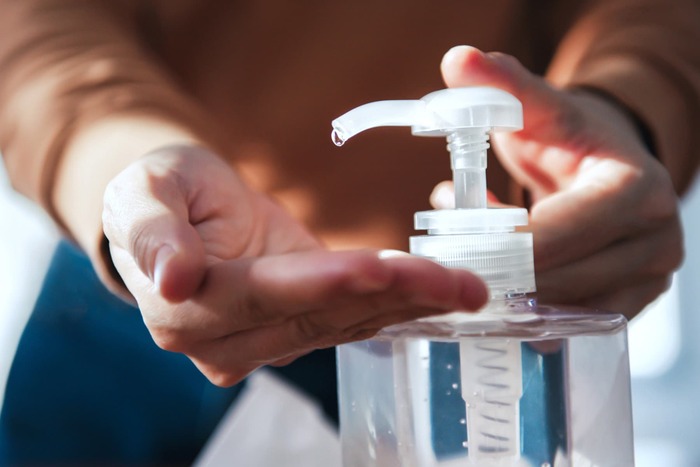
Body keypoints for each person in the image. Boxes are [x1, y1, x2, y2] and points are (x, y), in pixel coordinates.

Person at [0, 0, 697, 464]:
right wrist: (124, 166)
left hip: (514, 286)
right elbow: (35, 24)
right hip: (162, 278)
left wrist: (628, 107)